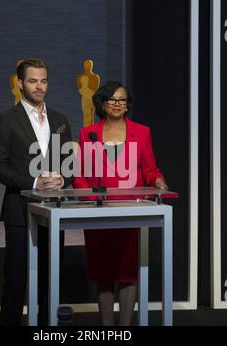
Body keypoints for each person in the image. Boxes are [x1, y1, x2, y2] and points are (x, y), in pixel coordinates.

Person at [73, 81, 168, 326]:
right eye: (112, 99)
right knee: (103, 274)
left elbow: (149, 168)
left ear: (128, 105)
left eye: (122, 100)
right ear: (102, 104)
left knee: (127, 274)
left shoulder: (142, 131)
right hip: (98, 211)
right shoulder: (88, 133)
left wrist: (158, 181)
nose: (117, 104)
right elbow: (79, 173)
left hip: (130, 211)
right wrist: (88, 197)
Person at [0, 59, 73, 326]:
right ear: (19, 83)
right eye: (33, 80)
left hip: (54, 213)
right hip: (19, 212)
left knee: (50, 281)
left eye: (44, 80)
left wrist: (63, 179)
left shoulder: (60, 119)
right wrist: (34, 182)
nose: (39, 86)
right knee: (15, 281)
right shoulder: (4, 119)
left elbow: (68, 165)